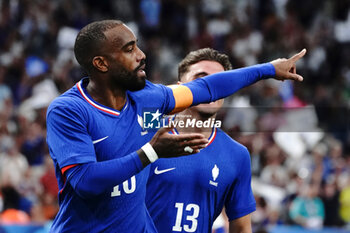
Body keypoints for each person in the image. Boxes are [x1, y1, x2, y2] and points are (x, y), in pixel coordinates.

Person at [46, 19, 306, 232]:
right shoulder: (68, 110)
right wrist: (152, 152)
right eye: (128, 49)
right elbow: (84, 182)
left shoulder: (148, 98)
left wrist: (269, 69)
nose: (141, 55)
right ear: (101, 63)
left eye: (137, 46)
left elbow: (206, 88)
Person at [146, 48, 254, 233]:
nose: (210, 88)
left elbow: (241, 227)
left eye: (219, 81)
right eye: (201, 79)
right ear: (180, 88)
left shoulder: (237, 154)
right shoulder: (146, 131)